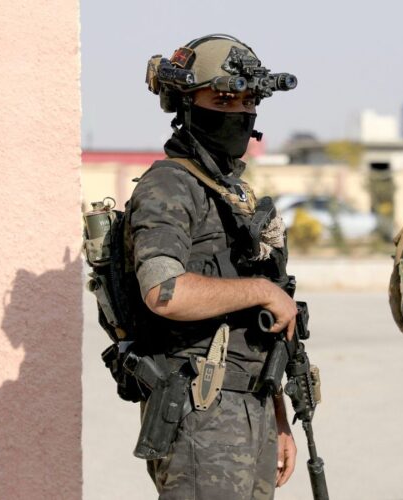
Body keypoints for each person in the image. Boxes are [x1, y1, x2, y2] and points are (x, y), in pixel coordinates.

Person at [126, 34, 299, 499]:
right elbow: (164, 291)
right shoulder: (170, 185)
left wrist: (278, 417)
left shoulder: (232, 194)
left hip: (249, 409)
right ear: (185, 103)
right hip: (201, 414)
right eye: (223, 98)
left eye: (248, 100)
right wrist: (263, 293)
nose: (238, 112)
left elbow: (254, 333)